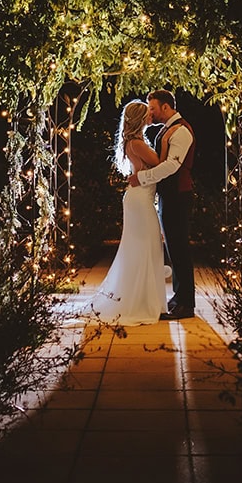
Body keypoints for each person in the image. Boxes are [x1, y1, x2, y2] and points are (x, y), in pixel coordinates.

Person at [82, 100, 167, 323]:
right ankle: (141, 301)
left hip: (141, 197)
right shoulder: (137, 143)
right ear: (140, 118)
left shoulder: (136, 141)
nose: (151, 116)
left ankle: (146, 298)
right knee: (145, 246)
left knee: (147, 246)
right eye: (148, 113)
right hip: (140, 200)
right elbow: (158, 162)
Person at [130, 89, 195, 319]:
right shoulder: (168, 129)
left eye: (153, 109)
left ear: (166, 107)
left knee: (180, 248)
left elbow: (172, 166)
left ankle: (187, 304)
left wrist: (143, 178)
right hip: (169, 195)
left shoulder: (182, 131)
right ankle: (179, 298)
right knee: (173, 248)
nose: (151, 113)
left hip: (178, 194)